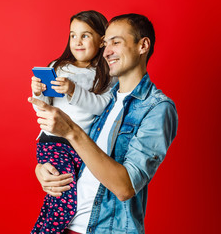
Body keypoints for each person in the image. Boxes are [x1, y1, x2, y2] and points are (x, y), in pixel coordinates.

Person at [29, 13, 178, 234]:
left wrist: (71, 131)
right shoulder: (106, 99)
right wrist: (42, 170)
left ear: (143, 45)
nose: (106, 51)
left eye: (116, 42)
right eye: (106, 43)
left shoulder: (157, 108)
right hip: (64, 224)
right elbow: (82, 158)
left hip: (105, 228)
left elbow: (125, 186)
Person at [30, 10, 115, 234]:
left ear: (101, 40)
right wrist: (37, 93)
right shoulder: (58, 67)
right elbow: (43, 108)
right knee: (63, 200)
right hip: (53, 141)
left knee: (68, 198)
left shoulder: (105, 73)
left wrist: (73, 90)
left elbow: (101, 105)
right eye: (73, 35)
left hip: (82, 144)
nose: (77, 41)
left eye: (85, 35)